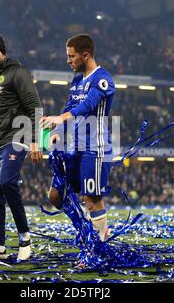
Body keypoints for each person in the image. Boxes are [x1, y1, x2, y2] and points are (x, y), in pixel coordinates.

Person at [0, 33, 42, 260]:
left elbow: (35, 107)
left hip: (16, 137)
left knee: (7, 182)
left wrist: (35, 140)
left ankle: (25, 238)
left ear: (3, 53)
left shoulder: (18, 73)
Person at [41, 34, 115, 241]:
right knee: (55, 196)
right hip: (72, 146)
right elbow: (70, 107)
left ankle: (98, 242)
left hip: (94, 147)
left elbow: (87, 106)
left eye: (71, 56)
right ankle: (88, 227)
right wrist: (56, 131)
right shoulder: (76, 80)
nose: (68, 60)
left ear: (85, 55)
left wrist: (62, 117)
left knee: (91, 198)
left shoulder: (102, 79)